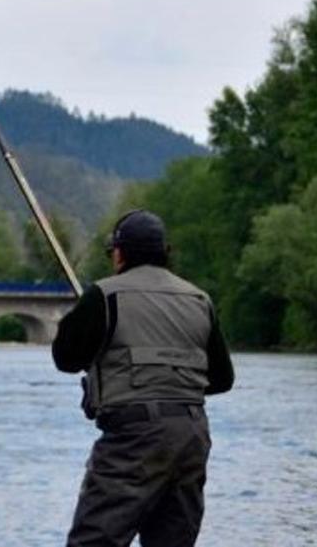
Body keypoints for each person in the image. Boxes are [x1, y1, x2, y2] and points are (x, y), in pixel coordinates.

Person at [52, 209, 234, 547]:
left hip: (133, 437)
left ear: (120, 253)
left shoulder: (105, 295)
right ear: (165, 252)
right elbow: (222, 379)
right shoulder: (200, 299)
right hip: (192, 437)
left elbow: (65, 358)